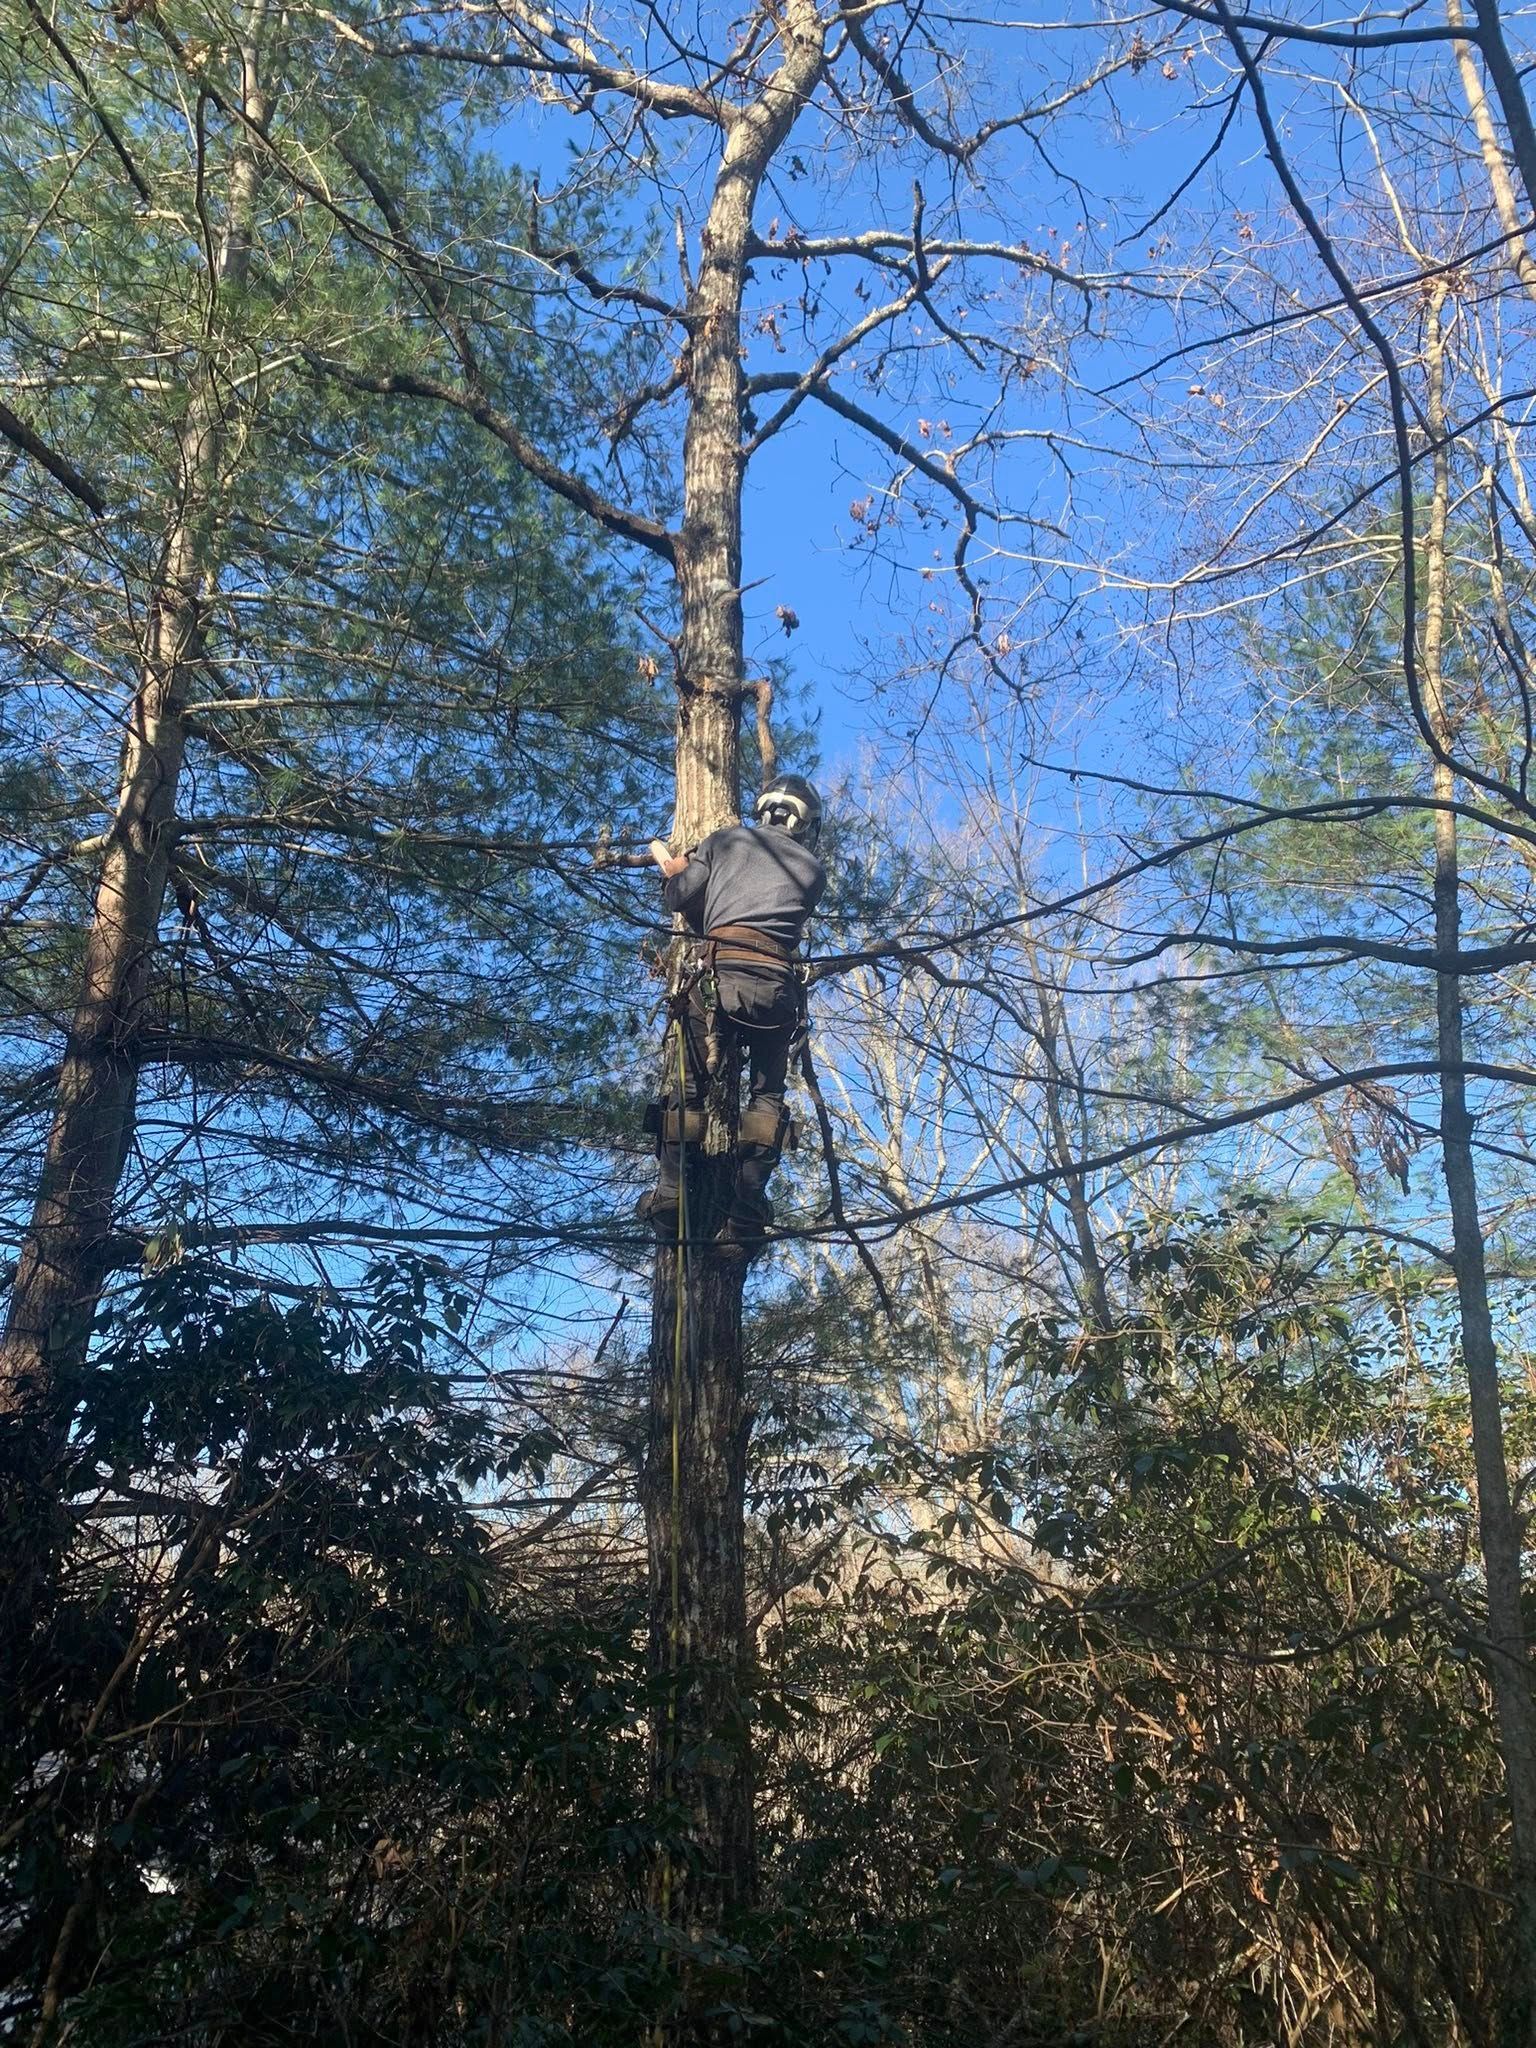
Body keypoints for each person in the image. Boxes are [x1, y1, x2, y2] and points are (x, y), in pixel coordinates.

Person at [642, 774, 826, 1253]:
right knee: (767, 1096)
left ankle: (671, 1195)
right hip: (776, 990)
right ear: (804, 822)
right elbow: (764, 912)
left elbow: (683, 899)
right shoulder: (812, 869)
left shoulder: (725, 840)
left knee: (688, 1086)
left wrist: (679, 869)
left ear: (764, 809)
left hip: (716, 977)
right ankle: (745, 1212)